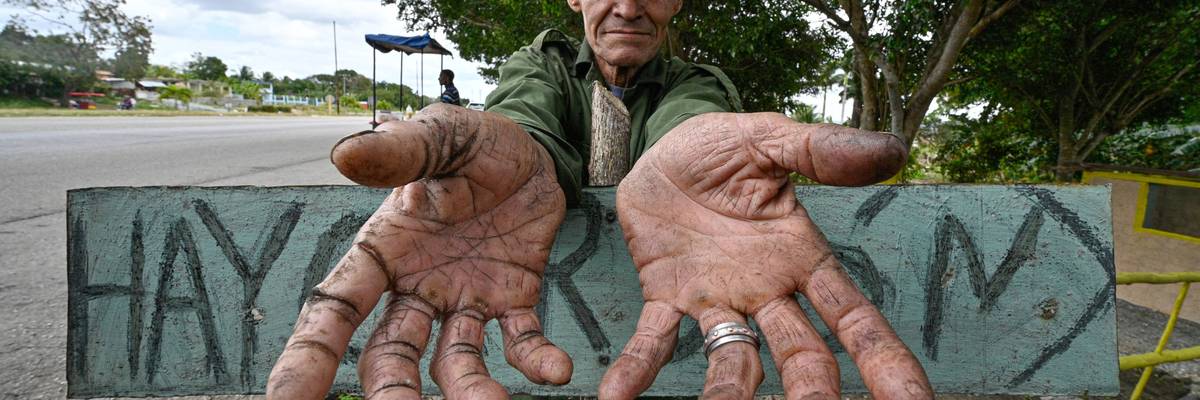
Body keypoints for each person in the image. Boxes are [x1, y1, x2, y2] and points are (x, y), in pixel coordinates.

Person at [267, 1, 934, 399]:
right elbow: (529, 130)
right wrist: (511, 165)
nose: (629, 4)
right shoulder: (541, 65)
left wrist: (691, 165)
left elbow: (688, 129)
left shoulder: (697, 82)